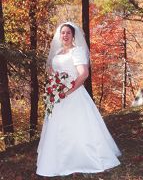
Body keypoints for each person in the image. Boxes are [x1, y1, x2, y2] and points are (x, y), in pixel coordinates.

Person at [36, 22, 121, 178]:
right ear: (59, 36)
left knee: (79, 127)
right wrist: (55, 83)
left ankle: (84, 160)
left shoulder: (77, 51)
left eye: (68, 33)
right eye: (63, 33)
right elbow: (52, 71)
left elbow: (83, 74)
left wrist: (68, 91)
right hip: (58, 97)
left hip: (74, 95)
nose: (65, 35)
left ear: (73, 35)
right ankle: (58, 162)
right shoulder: (57, 53)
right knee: (58, 129)